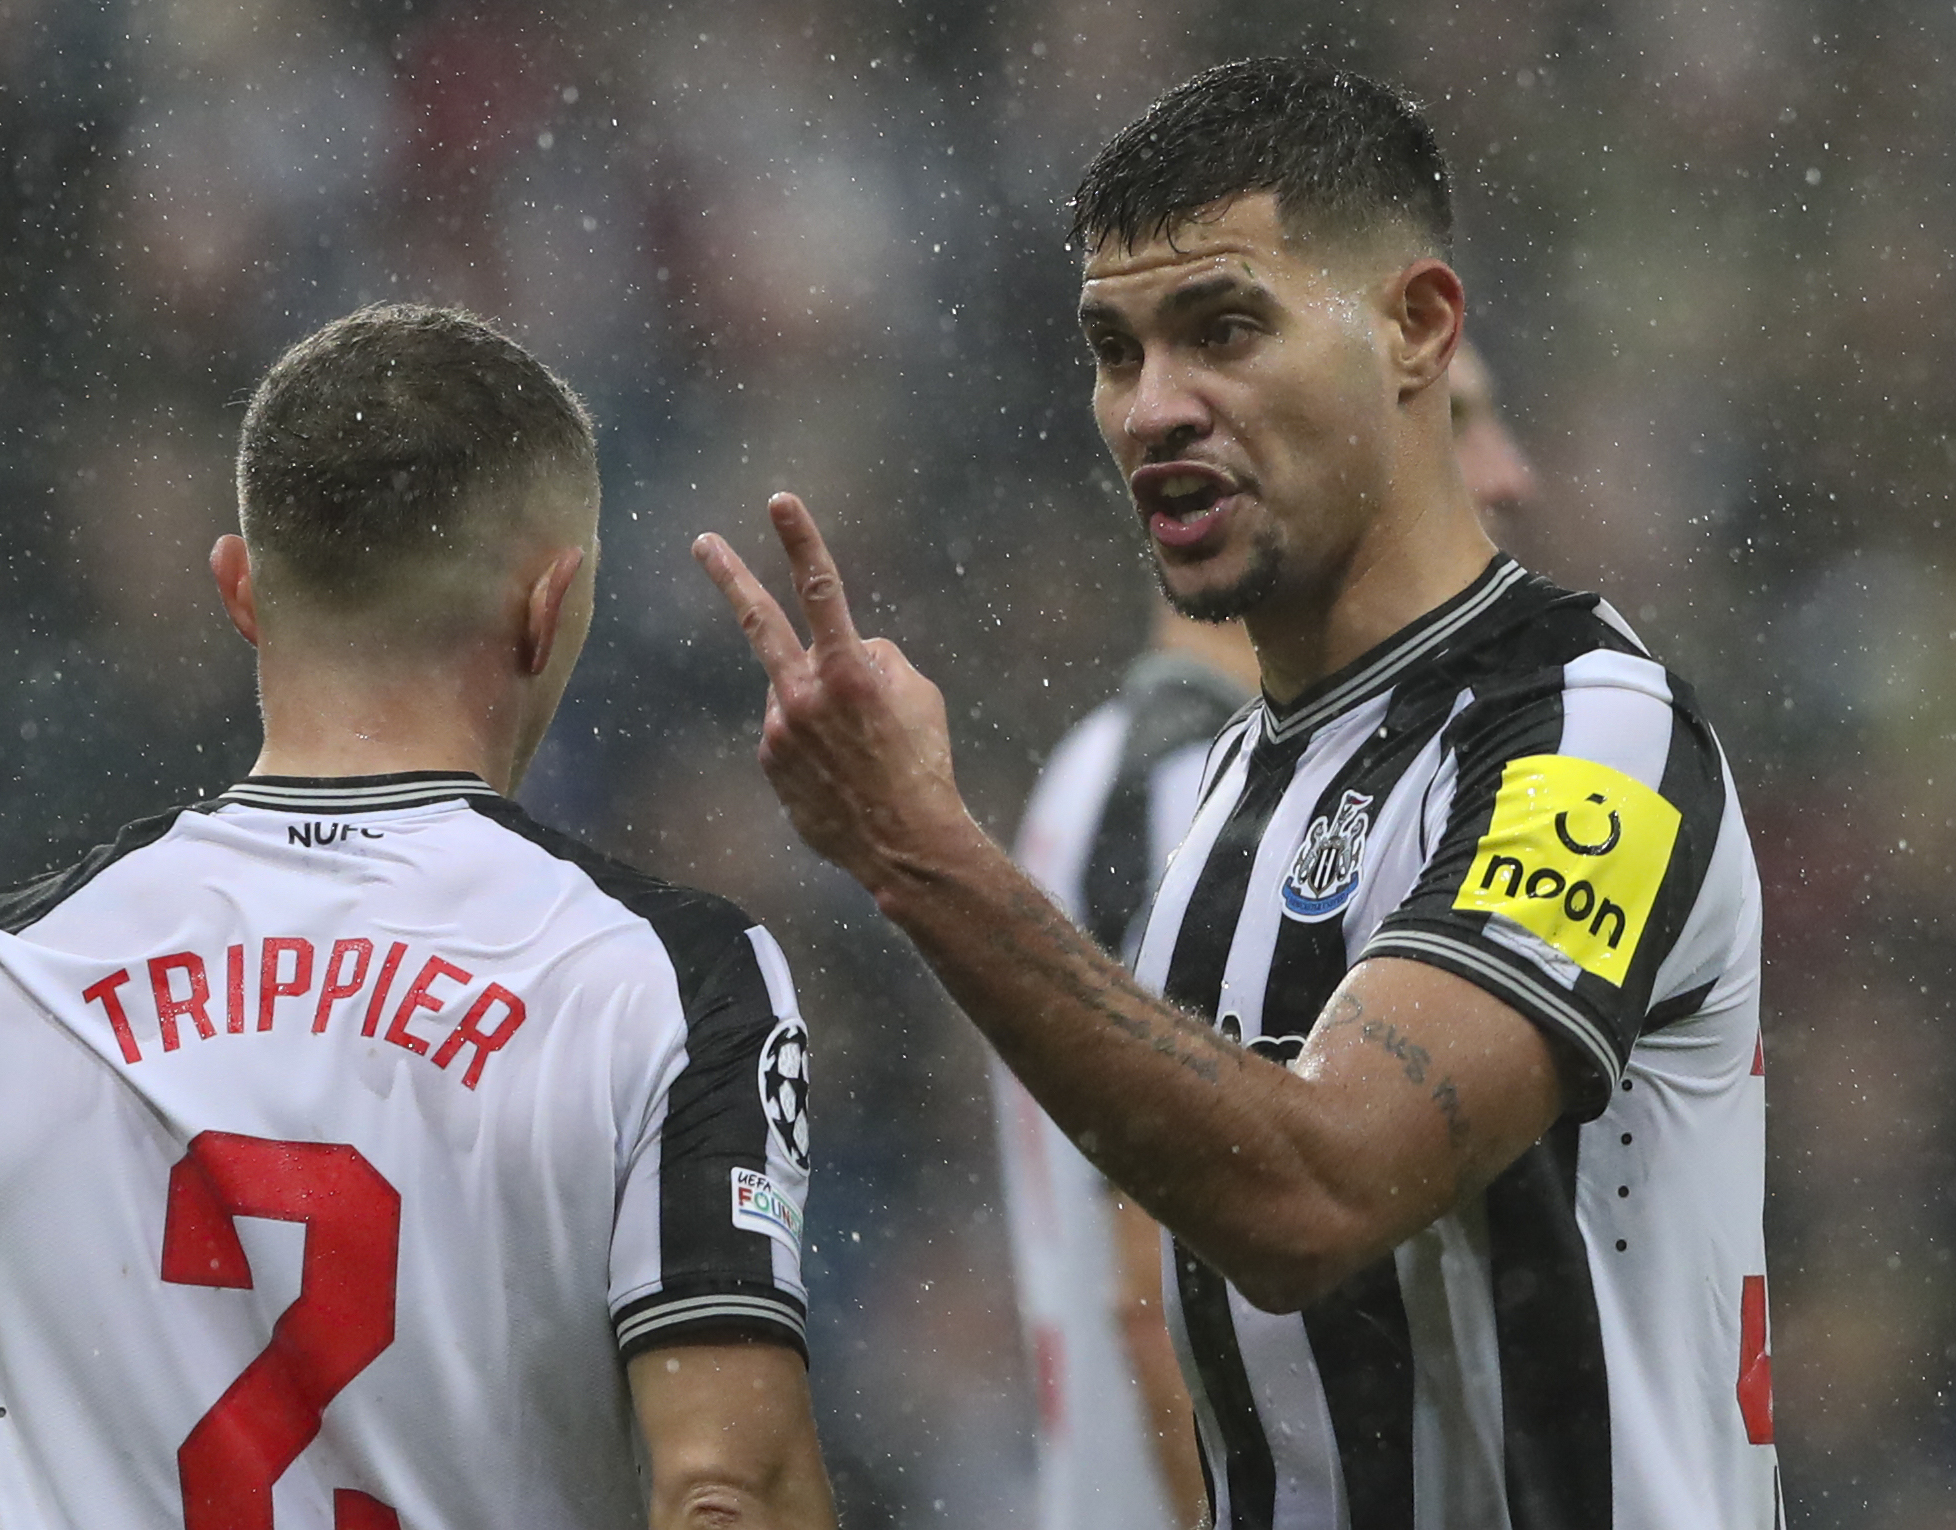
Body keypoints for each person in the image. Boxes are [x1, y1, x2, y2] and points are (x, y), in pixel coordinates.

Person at [697, 58, 1776, 1529]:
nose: (1151, 408)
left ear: (1413, 326)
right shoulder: (1218, 790)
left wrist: (915, 850)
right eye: (1113, 349)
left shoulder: (1585, 734)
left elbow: (1314, 1197)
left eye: (1222, 330)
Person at [0, 304, 836, 1530]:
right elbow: (730, 1494)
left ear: (240, 589)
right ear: (546, 607)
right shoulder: (669, 978)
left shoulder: (0, 969)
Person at [992, 340, 1540, 1530]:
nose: (1506, 475)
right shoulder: (1183, 787)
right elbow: (1163, 1292)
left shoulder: (1168, 771)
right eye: (1462, 419)